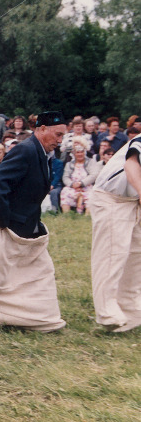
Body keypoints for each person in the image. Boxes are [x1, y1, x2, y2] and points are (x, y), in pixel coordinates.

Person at [0, 111, 68, 334]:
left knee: (40, 272)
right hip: (9, 226)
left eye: (62, 136)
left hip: (27, 225)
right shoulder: (26, 149)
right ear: (41, 129)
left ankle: (43, 318)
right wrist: (1, 222)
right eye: (57, 134)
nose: (60, 140)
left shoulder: (40, 152)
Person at [88, 131, 141, 332]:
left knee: (136, 257)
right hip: (111, 198)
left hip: (133, 202)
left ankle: (131, 312)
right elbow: (132, 165)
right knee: (112, 254)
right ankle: (107, 312)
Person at [60, 139, 100, 214]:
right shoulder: (69, 164)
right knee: (64, 192)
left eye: (82, 152)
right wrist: (72, 184)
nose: (80, 154)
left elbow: (94, 175)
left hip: (86, 186)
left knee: (91, 194)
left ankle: (87, 216)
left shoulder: (90, 162)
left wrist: (81, 183)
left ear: (84, 152)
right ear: (74, 154)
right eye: (77, 152)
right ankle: (67, 215)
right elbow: (65, 177)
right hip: (73, 187)